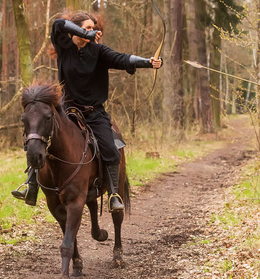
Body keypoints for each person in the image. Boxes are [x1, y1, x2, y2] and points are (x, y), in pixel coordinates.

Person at [12, 11, 162, 212]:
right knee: (38, 136)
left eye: (94, 28)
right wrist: (87, 34)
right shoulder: (64, 48)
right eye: (88, 27)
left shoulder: (98, 52)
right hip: (67, 112)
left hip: (94, 114)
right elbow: (58, 24)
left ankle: (114, 195)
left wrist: (148, 62)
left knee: (110, 148)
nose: (93, 31)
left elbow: (123, 59)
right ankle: (31, 185)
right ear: (75, 29)